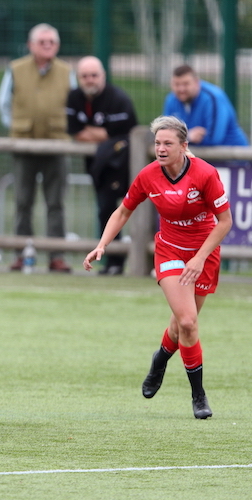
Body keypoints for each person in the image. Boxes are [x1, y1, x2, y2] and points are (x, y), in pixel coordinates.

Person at [83, 116, 232, 419]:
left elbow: (225, 222)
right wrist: (102, 244)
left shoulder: (205, 174)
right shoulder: (149, 176)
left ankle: (161, 358)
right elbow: (123, 210)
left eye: (168, 143)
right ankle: (199, 397)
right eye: (157, 143)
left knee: (179, 326)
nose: (161, 149)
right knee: (188, 322)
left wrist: (200, 257)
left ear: (183, 146)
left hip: (203, 254)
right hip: (170, 252)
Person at [0, 23, 77, 273]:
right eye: (42, 42)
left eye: (51, 42)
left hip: (56, 145)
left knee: (56, 204)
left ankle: (57, 256)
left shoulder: (67, 71)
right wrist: (18, 126)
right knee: (22, 202)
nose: (47, 45)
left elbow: (73, 104)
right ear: (31, 45)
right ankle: (21, 254)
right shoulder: (15, 69)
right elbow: (3, 104)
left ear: (57, 46)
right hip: (24, 146)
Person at [66, 56, 138, 275]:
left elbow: (125, 131)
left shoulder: (118, 98)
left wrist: (98, 134)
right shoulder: (74, 97)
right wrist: (105, 136)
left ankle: (147, 261)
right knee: (105, 212)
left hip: (125, 167)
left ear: (103, 76)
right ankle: (111, 262)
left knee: (134, 213)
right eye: (85, 76)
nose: (90, 80)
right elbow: (76, 132)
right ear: (78, 78)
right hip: (99, 169)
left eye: (94, 75)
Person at [163, 64, 248, 147]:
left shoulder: (212, 98)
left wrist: (180, 138)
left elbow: (214, 138)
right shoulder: (171, 99)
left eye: (186, 84)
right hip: (197, 157)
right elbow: (166, 134)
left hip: (231, 157)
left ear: (196, 82)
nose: (181, 89)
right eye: (177, 84)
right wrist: (188, 136)